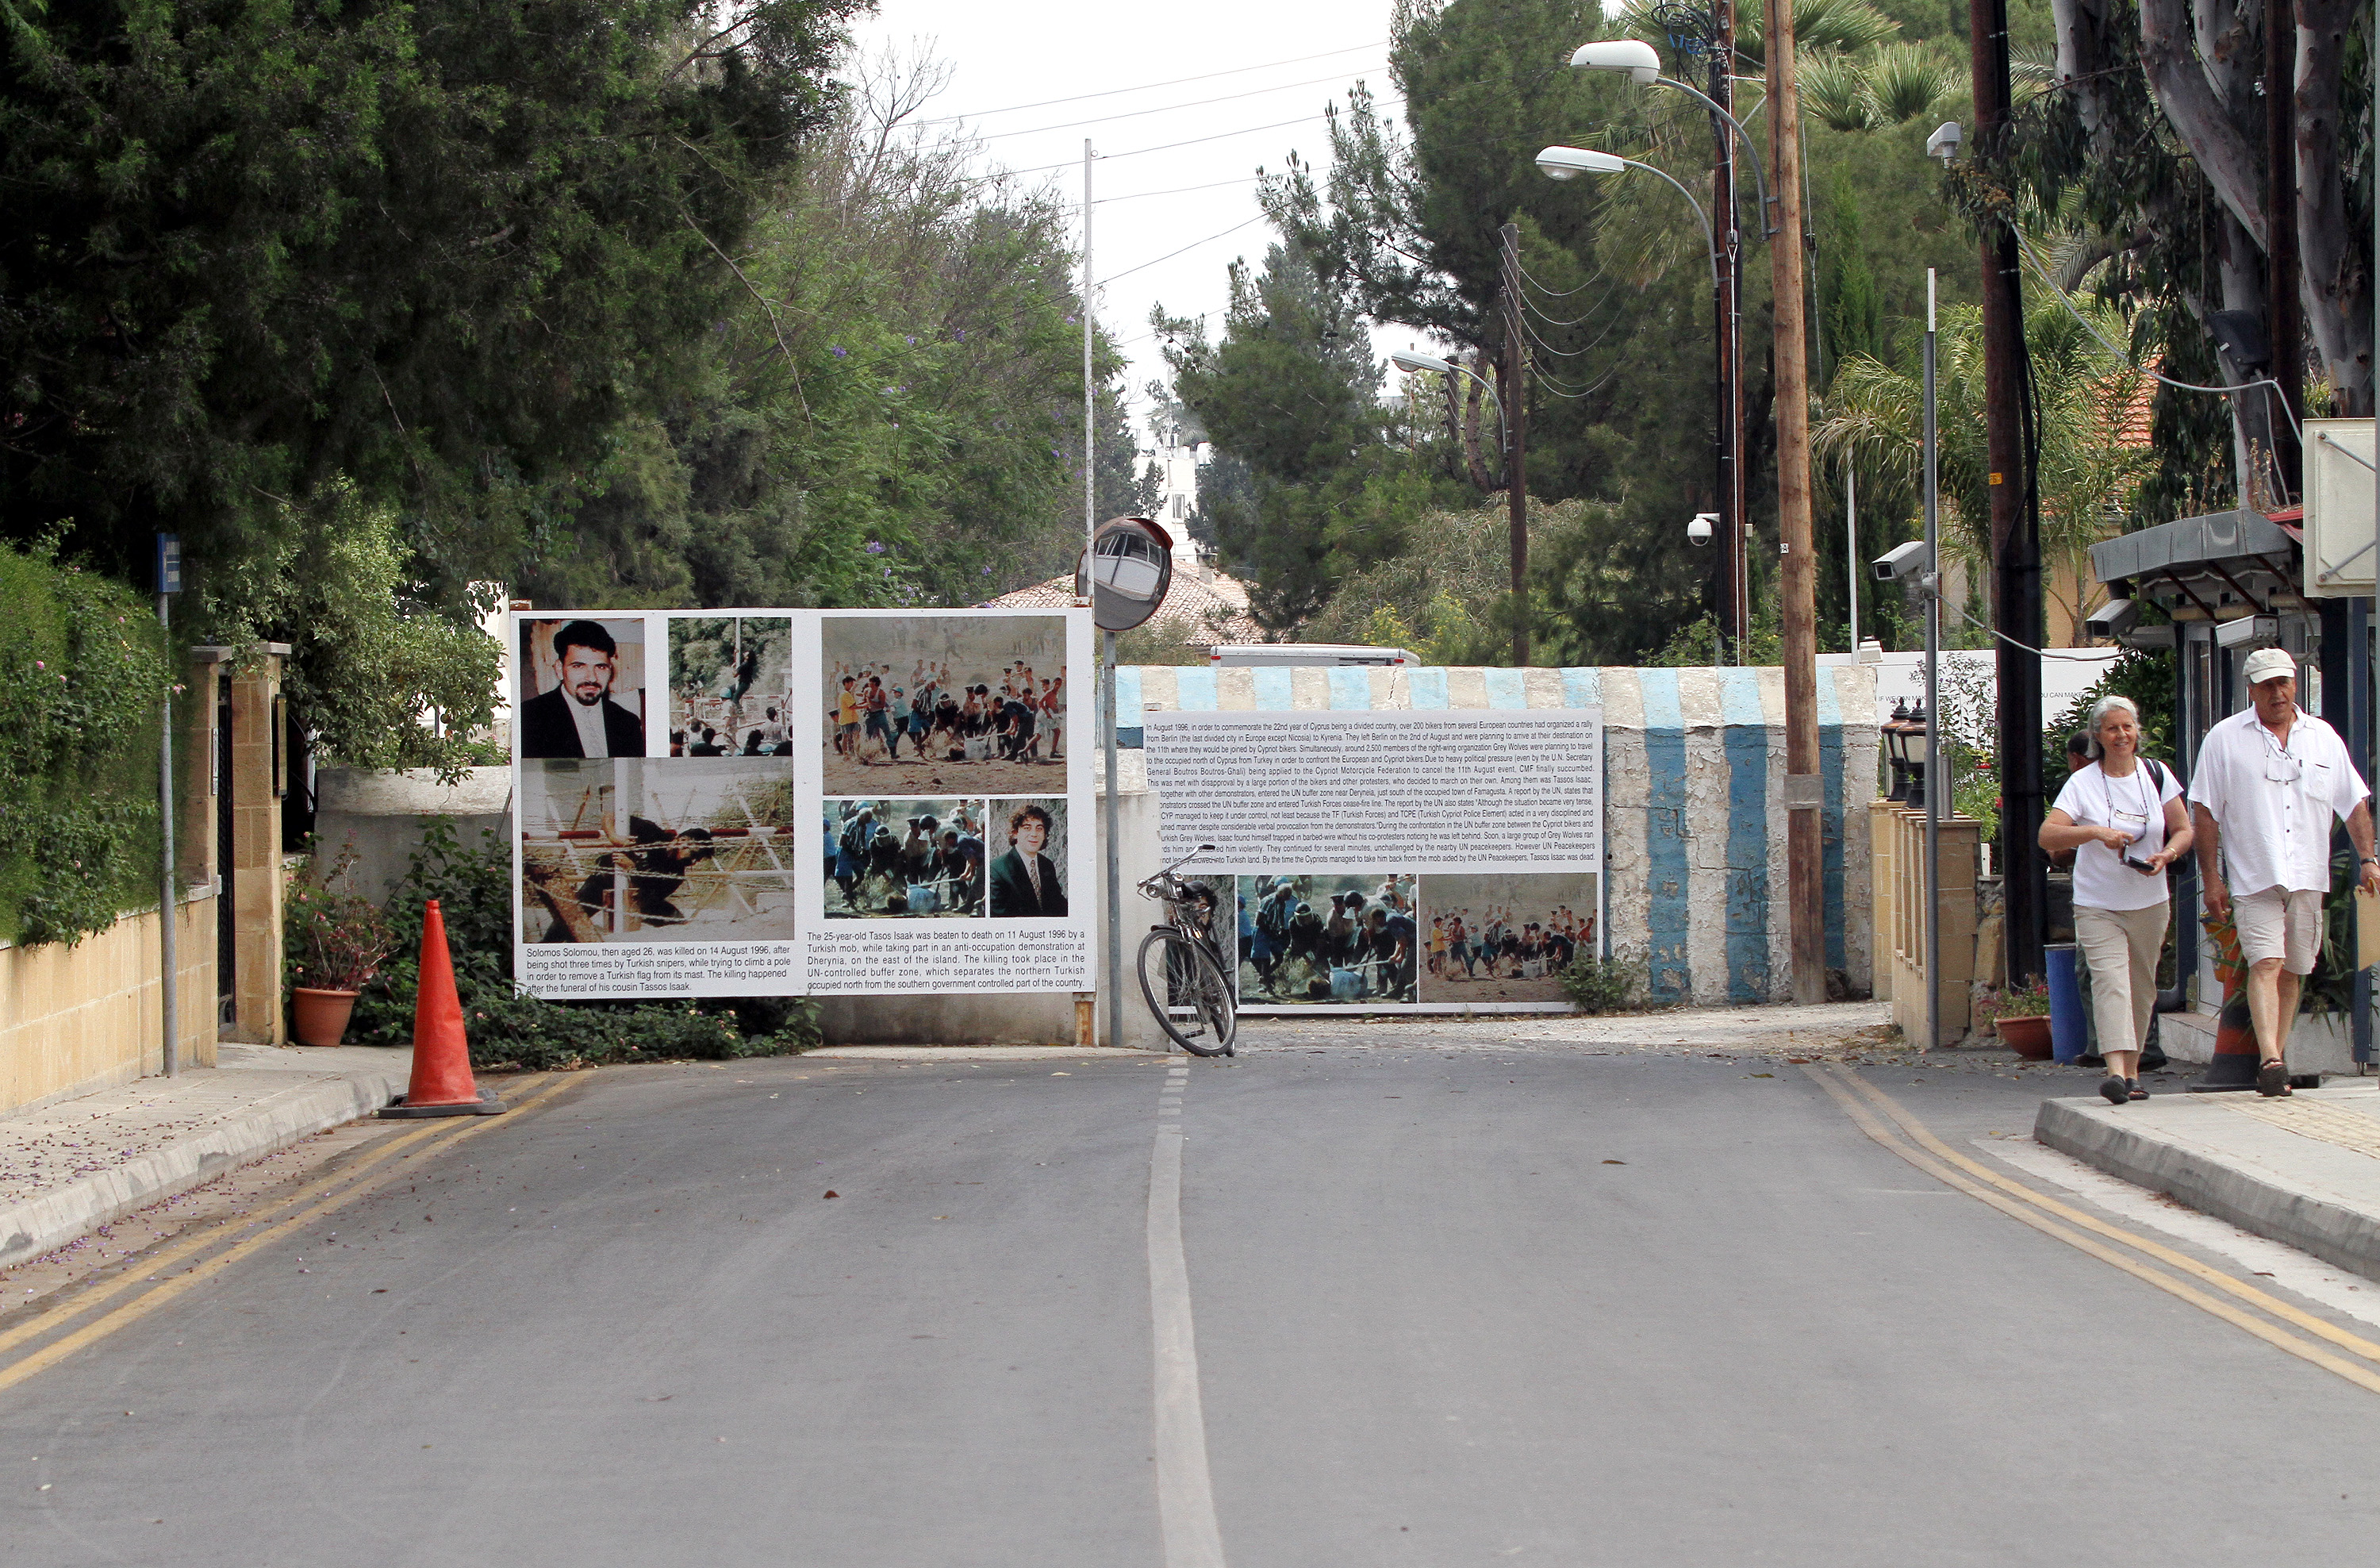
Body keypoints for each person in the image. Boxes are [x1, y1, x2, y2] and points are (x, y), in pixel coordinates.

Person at [2190, 646, 2380, 1096]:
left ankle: (2277, 1053)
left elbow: (2353, 802)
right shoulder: (2224, 738)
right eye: (2268, 685)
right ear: (2251, 689)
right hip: (2255, 873)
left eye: (2284, 683)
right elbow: (2204, 811)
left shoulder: (2323, 738)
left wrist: (2368, 858)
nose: (2278, 693)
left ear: (2295, 684)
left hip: (2308, 873)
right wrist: (2212, 878)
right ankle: (2271, 1059)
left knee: (2294, 968)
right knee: (2266, 963)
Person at [2040, 695, 2191, 1105]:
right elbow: (2048, 835)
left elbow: (2183, 829)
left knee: (2141, 988)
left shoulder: (2157, 774)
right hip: (2097, 903)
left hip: (2148, 900)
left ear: (2137, 731)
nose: (2121, 735)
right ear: (2098, 737)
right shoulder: (2083, 783)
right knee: (2110, 983)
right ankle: (2116, 1073)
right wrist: (2094, 833)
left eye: (2127, 726)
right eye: (2112, 728)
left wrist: (2167, 854)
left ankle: (2134, 1069)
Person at [520, 621, 643, 758]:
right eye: (578, 666)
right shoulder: (529, 718)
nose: (592, 678)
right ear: (560, 669)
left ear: (610, 670)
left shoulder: (628, 723)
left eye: (600, 667)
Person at [989, 803, 1066, 917]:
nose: (1034, 834)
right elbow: (1000, 916)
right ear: (1015, 833)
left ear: (1045, 835)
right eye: (1027, 828)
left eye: (1039, 828)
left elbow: (1058, 905)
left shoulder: (1047, 865)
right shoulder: (997, 869)